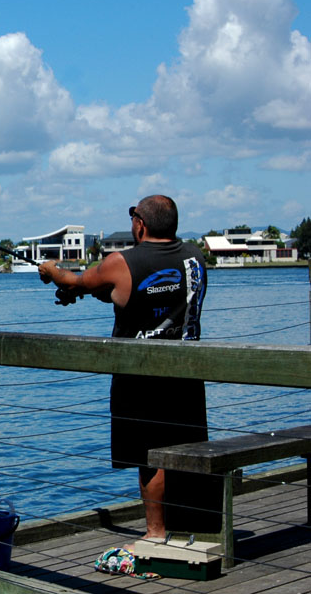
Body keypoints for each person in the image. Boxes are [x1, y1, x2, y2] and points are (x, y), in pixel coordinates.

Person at [37, 195, 208, 542]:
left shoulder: (121, 262)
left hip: (139, 376)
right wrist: (95, 290)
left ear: (140, 224)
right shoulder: (195, 256)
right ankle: (193, 527)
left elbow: (74, 282)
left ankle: (155, 533)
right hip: (189, 370)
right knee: (185, 448)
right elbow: (143, 294)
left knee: (150, 455)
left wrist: (51, 271)